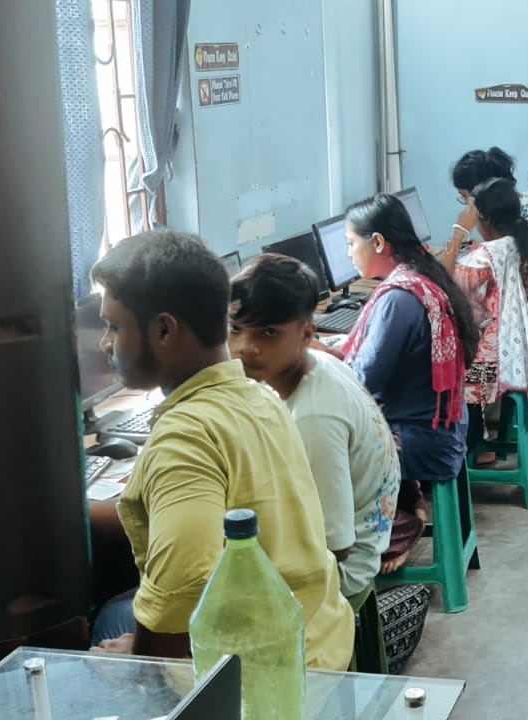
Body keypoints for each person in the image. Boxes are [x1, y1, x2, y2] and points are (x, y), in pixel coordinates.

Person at [86, 230, 353, 670]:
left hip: (261, 673)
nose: (105, 344)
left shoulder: (185, 437)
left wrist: (138, 660)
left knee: (107, 623)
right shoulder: (258, 396)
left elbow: (185, 584)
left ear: (164, 330)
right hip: (317, 635)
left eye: (114, 326)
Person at [228, 254, 400, 608]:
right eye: (235, 329)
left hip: (339, 577)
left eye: (269, 333)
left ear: (306, 333)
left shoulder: (314, 417)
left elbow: (334, 547)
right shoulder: (319, 363)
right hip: (359, 544)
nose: (246, 347)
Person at [336, 193, 480, 574]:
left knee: (321, 449)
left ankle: (395, 526)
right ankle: (407, 500)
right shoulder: (421, 278)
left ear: (378, 242)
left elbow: (361, 381)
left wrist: (315, 362)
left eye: (351, 243)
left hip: (420, 442)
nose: (348, 254)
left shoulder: (398, 299)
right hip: (443, 429)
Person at [442, 177, 528, 418]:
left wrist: (458, 234)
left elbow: (445, 282)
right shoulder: (526, 242)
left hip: (495, 371)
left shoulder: (494, 251)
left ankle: (472, 439)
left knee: (439, 375)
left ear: (484, 218)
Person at [448, 146, 528, 354]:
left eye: (465, 197)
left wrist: (458, 233)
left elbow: (446, 281)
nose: (465, 207)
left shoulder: (517, 222)